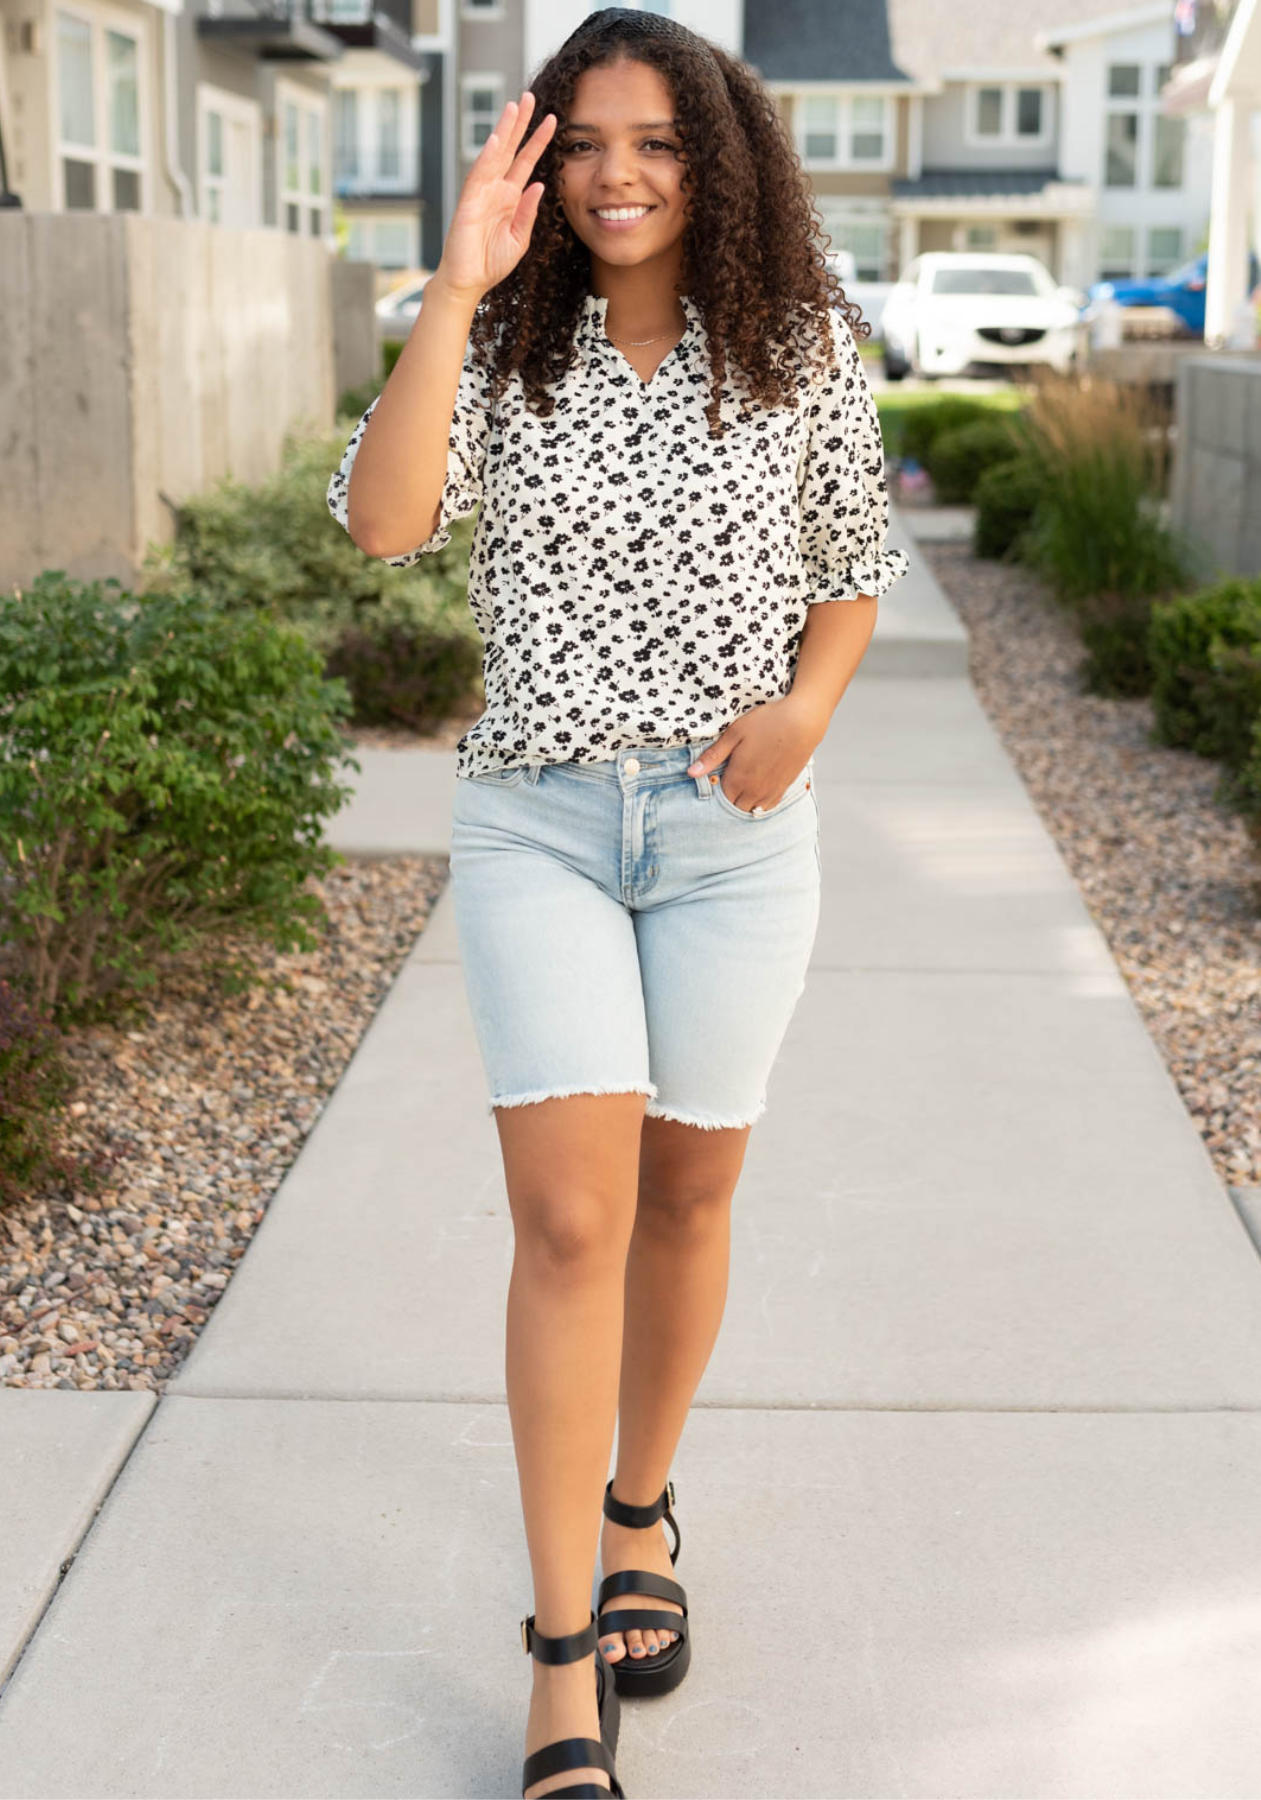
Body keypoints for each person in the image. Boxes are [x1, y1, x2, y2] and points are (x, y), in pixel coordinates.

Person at [326, 11, 907, 1796]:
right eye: (581, 141)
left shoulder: (794, 337)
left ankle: (642, 1501)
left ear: (711, 155)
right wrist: (449, 288)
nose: (618, 173)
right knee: (566, 1225)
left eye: (654, 140)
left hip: (735, 839)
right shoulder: (499, 339)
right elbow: (380, 522)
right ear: (540, 162)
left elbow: (852, 573)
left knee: (688, 1187)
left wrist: (802, 716)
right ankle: (561, 1652)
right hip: (541, 830)